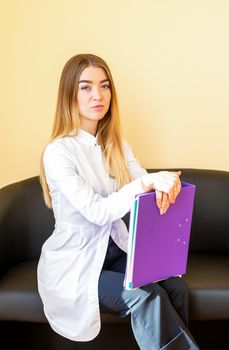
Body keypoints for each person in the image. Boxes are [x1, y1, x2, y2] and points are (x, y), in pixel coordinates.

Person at [37, 53, 199, 349]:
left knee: (175, 286)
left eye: (105, 86)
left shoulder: (118, 145)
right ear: (69, 94)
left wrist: (164, 186)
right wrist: (147, 182)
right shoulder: (58, 153)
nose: (98, 95)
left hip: (113, 251)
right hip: (78, 263)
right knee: (146, 295)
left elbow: (143, 186)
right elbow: (98, 212)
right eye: (85, 87)